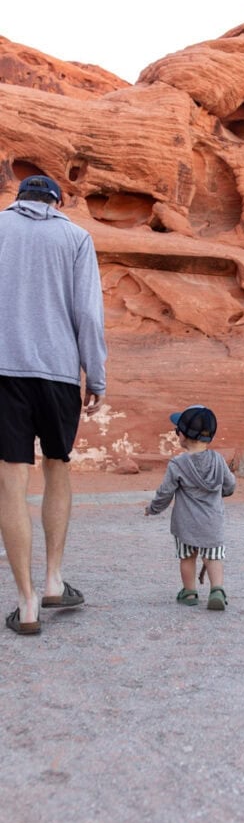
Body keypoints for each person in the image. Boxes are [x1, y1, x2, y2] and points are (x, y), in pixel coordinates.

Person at [0, 175, 107, 635]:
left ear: (18, 198)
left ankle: (26, 605)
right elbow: (88, 313)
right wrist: (95, 375)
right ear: (57, 202)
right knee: (57, 467)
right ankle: (53, 581)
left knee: (11, 480)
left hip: (4, 372)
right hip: (59, 373)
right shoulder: (76, 237)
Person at [145, 405, 236, 611]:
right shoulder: (219, 460)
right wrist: (220, 493)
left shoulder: (178, 464)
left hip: (185, 525)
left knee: (187, 557)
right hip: (212, 523)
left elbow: (165, 492)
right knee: (213, 558)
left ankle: (189, 592)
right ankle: (217, 590)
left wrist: (153, 508)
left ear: (183, 435)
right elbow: (230, 485)